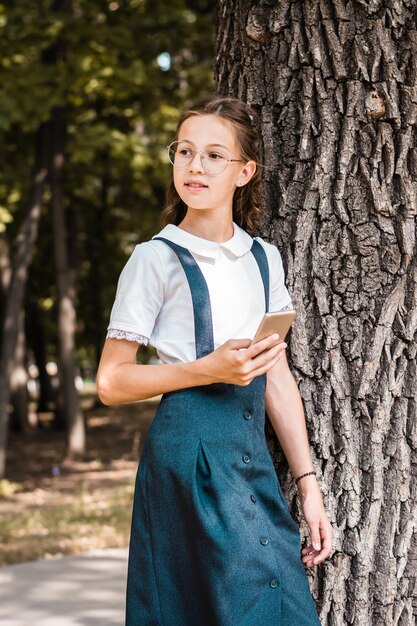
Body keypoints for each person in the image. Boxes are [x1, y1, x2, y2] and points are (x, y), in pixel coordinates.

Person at [97, 95, 333, 626]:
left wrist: (308, 485)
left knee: (282, 605)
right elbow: (111, 382)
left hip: (250, 464)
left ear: (245, 171)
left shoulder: (262, 257)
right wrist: (207, 369)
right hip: (186, 460)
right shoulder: (154, 258)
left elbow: (276, 375)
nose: (194, 166)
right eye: (184, 152)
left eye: (212, 155)